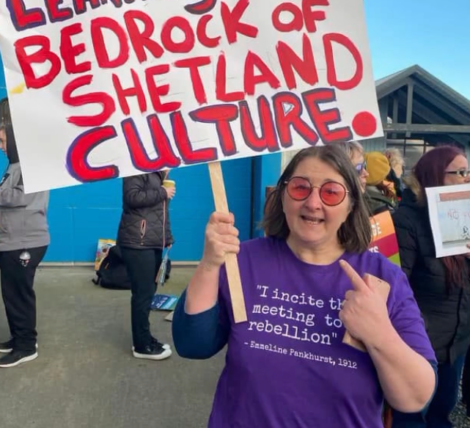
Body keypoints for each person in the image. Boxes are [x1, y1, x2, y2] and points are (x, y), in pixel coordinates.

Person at [172, 145, 437, 427]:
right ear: (283, 196)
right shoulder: (241, 260)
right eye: (300, 188)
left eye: (331, 192)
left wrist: (379, 334)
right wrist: (210, 264)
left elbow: (415, 399)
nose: (313, 203)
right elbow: (193, 344)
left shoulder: (382, 277)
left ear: (350, 205)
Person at [392, 145, 470, 427]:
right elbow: (396, 284)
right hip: (418, 346)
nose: (467, 179)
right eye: (459, 172)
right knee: (411, 418)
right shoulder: (406, 220)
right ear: (435, 175)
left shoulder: (466, 217)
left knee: (441, 414)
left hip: (456, 342)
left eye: (468, 172)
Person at [0, 98, 50, 368]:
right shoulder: (17, 166)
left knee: (18, 294)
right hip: (13, 240)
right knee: (12, 292)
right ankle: (20, 336)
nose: (1, 144)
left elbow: (18, 197)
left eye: (3, 138)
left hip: (24, 241)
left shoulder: (31, 165)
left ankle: (26, 346)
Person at [116, 171, 175, 360]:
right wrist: (163, 192)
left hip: (152, 242)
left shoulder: (158, 177)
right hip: (137, 242)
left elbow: (161, 213)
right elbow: (132, 197)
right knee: (142, 294)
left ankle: (145, 338)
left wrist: (167, 237)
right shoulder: (136, 169)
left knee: (148, 292)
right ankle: (141, 346)